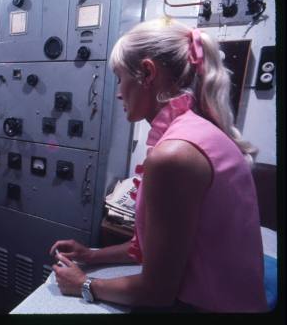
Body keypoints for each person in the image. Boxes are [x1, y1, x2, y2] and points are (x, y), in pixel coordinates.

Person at [49, 18, 268, 312]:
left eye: (119, 77)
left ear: (147, 73)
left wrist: (83, 285)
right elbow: (161, 249)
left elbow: (157, 291)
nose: (117, 92)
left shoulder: (174, 155)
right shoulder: (196, 132)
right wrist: (90, 255)